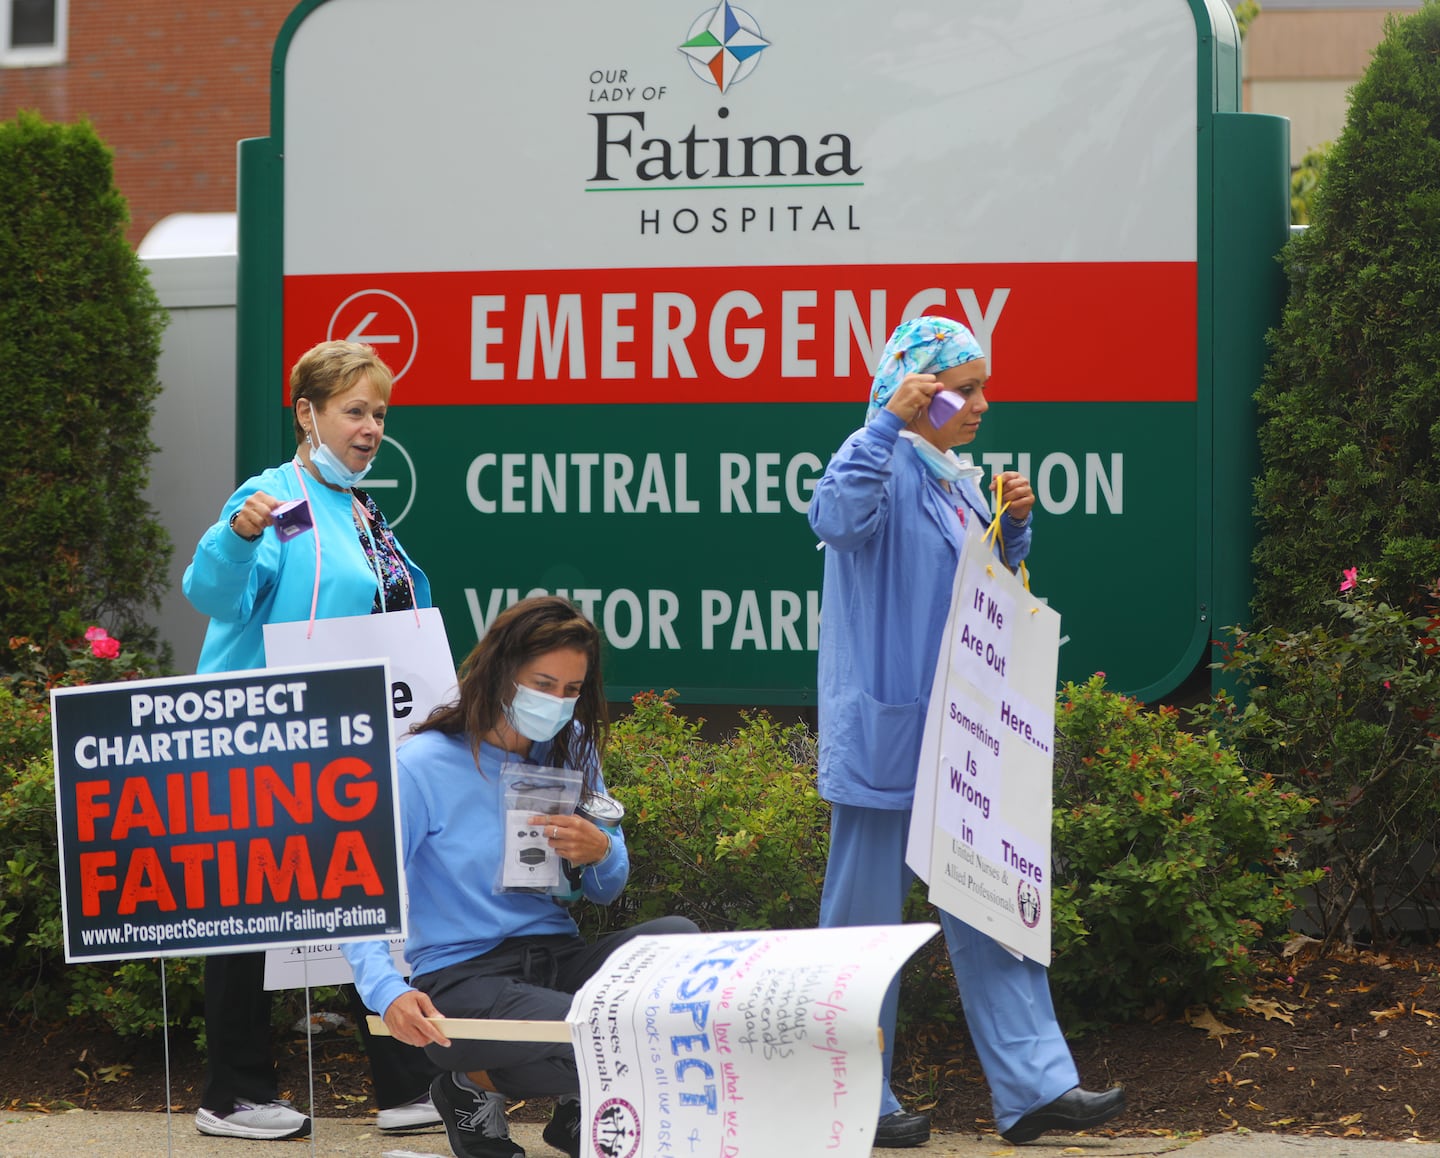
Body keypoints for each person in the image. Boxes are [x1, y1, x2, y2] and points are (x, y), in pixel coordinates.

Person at [807, 316, 1126, 1148]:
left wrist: (1012, 530)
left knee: (989, 904)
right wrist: (882, 421)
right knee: (862, 930)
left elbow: (981, 594)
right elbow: (834, 518)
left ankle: (1036, 1089)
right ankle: (849, 1099)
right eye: (968, 386)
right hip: (887, 743)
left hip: (963, 742)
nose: (986, 401)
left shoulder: (949, 476)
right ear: (919, 391)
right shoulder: (878, 458)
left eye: (985, 384)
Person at [183, 339, 441, 1140]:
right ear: (307, 413)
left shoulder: (362, 508)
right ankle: (229, 1096)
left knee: (368, 896)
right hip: (258, 736)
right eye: (354, 411)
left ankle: (403, 1084)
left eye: (380, 414)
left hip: (349, 733)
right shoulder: (273, 497)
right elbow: (212, 593)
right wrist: (237, 532)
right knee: (246, 907)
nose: (371, 428)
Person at [343, 596, 699, 1158]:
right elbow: (359, 887)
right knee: (599, 1033)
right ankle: (468, 1087)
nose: (557, 701)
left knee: (680, 945)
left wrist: (600, 849)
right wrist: (386, 992)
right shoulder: (421, 766)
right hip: (464, 977)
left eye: (572, 689)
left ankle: (574, 1106)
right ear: (501, 672)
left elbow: (607, 890)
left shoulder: (572, 746)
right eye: (544, 682)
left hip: (556, 956)